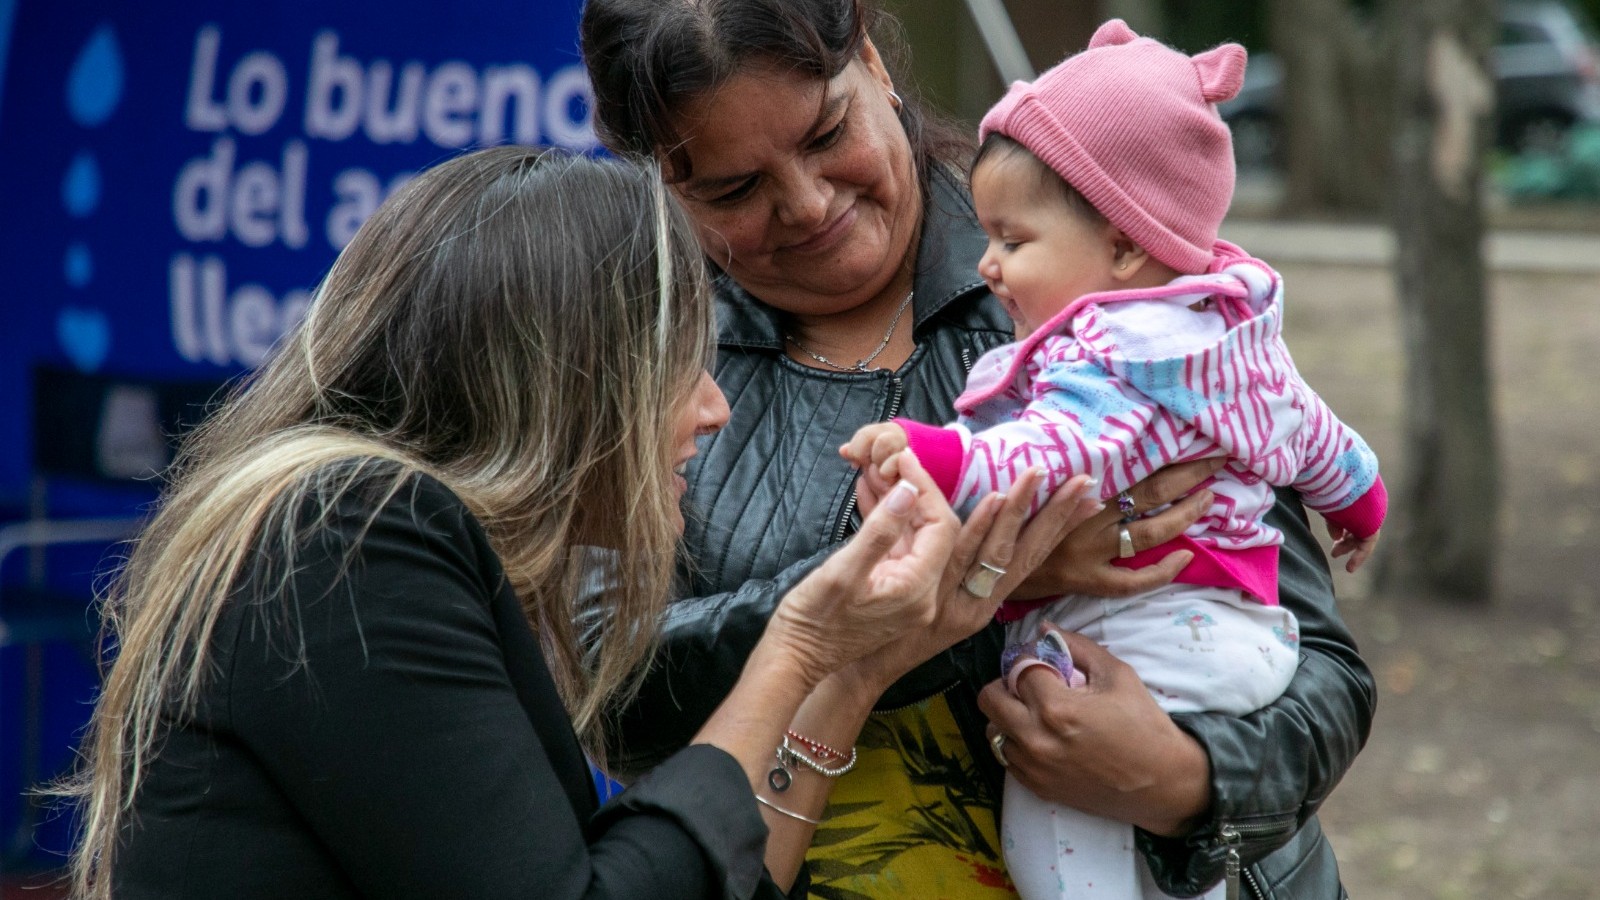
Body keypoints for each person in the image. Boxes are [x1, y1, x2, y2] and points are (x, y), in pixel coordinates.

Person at [58, 146, 1092, 900]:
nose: (713, 409)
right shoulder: (351, 532)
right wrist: (797, 645)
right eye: (680, 362)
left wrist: (853, 673)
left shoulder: (368, 535)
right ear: (572, 379)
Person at [580, 1, 1377, 897]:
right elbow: (604, 686)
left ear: (874, 64)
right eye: (734, 190)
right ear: (661, 184)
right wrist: (980, 581)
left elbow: (1326, 672)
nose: (806, 204)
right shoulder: (642, 357)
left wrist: (1185, 779)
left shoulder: (1099, 271)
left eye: (826, 134)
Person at [839, 21, 1386, 899]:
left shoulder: (1116, 362)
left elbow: (1049, 455)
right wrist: (1361, 503)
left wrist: (937, 456)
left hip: (1158, 642)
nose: (988, 264)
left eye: (1013, 241)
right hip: (1240, 636)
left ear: (1125, 246)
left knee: (1053, 833)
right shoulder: (1230, 331)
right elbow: (1321, 439)